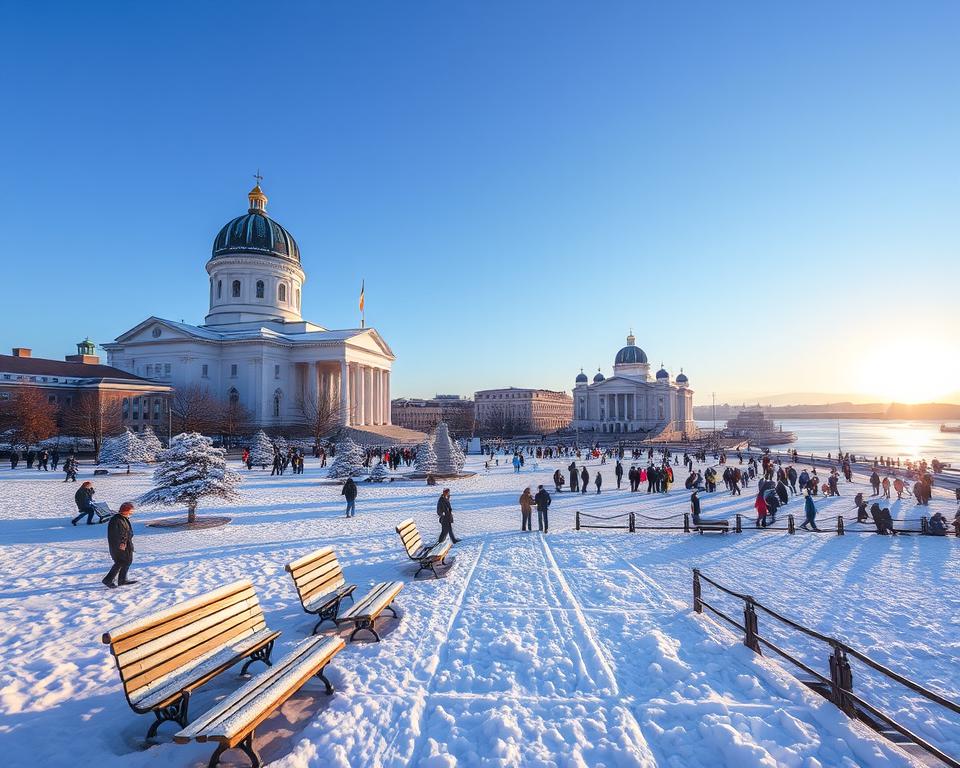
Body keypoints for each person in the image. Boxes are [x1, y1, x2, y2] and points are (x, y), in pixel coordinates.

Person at [102, 502, 136, 588]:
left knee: (127, 561)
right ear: (125, 511)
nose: (131, 513)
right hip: (119, 545)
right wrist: (122, 543)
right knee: (121, 562)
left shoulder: (122, 518)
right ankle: (108, 579)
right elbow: (118, 534)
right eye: (130, 511)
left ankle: (122, 579)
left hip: (125, 544)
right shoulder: (117, 520)